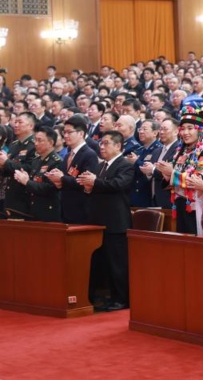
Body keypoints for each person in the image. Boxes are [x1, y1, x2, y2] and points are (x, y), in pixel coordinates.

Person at [77, 130, 134, 312]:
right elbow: (97, 187)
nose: (102, 146)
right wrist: (88, 187)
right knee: (100, 263)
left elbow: (118, 185)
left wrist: (95, 183)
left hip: (116, 222)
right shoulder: (101, 166)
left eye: (106, 143)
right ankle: (102, 296)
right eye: (101, 143)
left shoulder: (125, 165)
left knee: (117, 264)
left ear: (118, 146)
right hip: (98, 220)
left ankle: (121, 299)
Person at [158, 106, 203, 234]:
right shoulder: (180, 151)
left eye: (190, 128)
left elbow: (197, 179)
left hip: (196, 206)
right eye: (183, 129)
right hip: (179, 204)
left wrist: (172, 173)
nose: (185, 133)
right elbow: (172, 180)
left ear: (199, 130)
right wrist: (166, 175)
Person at [46, 116, 99, 223]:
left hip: (80, 211)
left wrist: (61, 178)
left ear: (81, 133)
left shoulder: (89, 154)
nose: (65, 135)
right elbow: (65, 179)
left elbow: (84, 182)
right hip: (65, 208)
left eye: (69, 132)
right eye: (64, 132)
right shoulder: (68, 155)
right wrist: (57, 181)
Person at [14, 125, 62, 222]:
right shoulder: (36, 160)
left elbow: (48, 188)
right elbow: (34, 182)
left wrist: (27, 182)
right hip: (33, 209)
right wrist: (26, 179)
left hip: (48, 212)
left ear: (51, 143)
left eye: (40, 140)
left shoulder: (56, 162)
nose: (36, 143)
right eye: (35, 140)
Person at [0, 111, 37, 219]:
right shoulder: (14, 144)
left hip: (23, 196)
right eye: (15, 122)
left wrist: (6, 162)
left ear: (30, 125)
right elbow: (7, 170)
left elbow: (30, 169)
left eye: (20, 122)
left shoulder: (34, 144)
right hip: (9, 195)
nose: (16, 125)